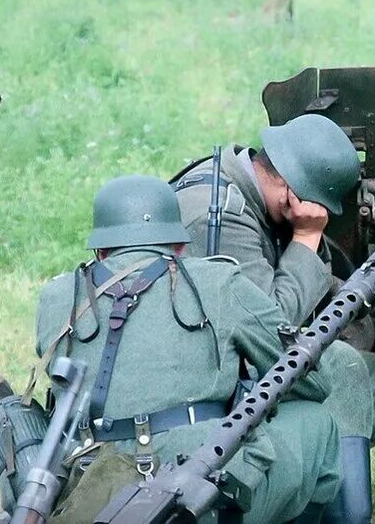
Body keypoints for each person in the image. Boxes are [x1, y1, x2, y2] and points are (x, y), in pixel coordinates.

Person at [34, 175, 341, 523]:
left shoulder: (58, 298)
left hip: (91, 485)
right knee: (318, 423)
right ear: (179, 246)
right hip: (195, 489)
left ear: (101, 250)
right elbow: (311, 382)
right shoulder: (218, 282)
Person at [171, 114, 375, 522]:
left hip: (232, 352)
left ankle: (306, 483)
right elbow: (273, 328)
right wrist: (307, 237)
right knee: (343, 371)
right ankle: (344, 514)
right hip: (202, 369)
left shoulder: (247, 191)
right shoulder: (220, 214)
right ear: (294, 193)